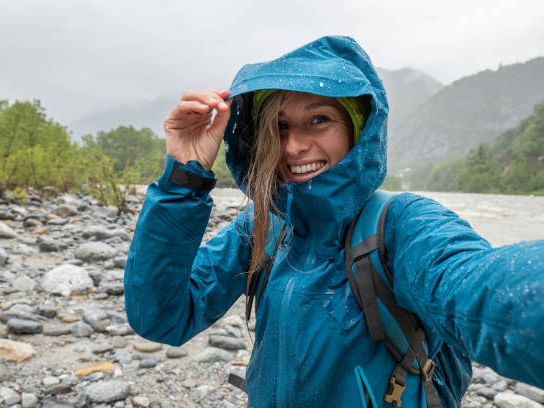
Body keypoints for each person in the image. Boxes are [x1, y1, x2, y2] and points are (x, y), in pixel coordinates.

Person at [124, 36, 544, 407]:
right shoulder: (264, 225)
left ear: (357, 128)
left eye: (319, 119)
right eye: (280, 126)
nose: (294, 145)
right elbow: (164, 316)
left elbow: (478, 287)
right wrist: (183, 177)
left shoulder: (401, 225)